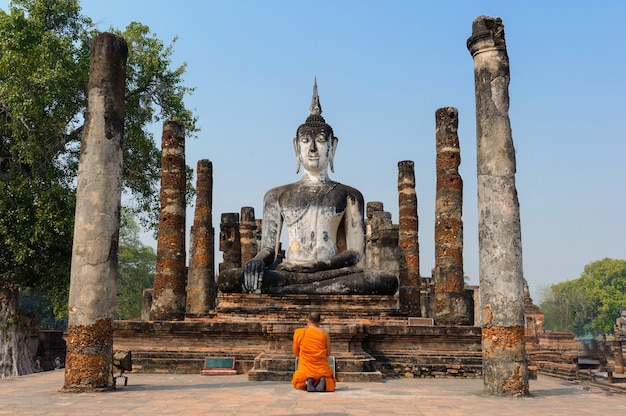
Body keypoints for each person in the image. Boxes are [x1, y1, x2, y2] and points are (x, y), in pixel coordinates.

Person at [218, 81, 398, 295]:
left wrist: (320, 266)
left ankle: (301, 289)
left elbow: (356, 252)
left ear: (333, 146)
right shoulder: (276, 195)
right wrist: (256, 261)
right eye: (306, 141)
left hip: (331, 271)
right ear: (297, 147)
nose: (312, 149)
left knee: (384, 281)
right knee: (229, 279)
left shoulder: (349, 195)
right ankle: (310, 289)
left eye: (320, 141)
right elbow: (269, 249)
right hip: (290, 271)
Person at [292, 311, 336, 392]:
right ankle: (322, 379)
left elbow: (296, 352)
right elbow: (328, 352)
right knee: (329, 379)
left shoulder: (300, 333)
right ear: (320, 322)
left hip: (306, 367)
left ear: (307, 321)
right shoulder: (324, 333)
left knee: (298, 382)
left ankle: (309, 380)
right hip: (321, 368)